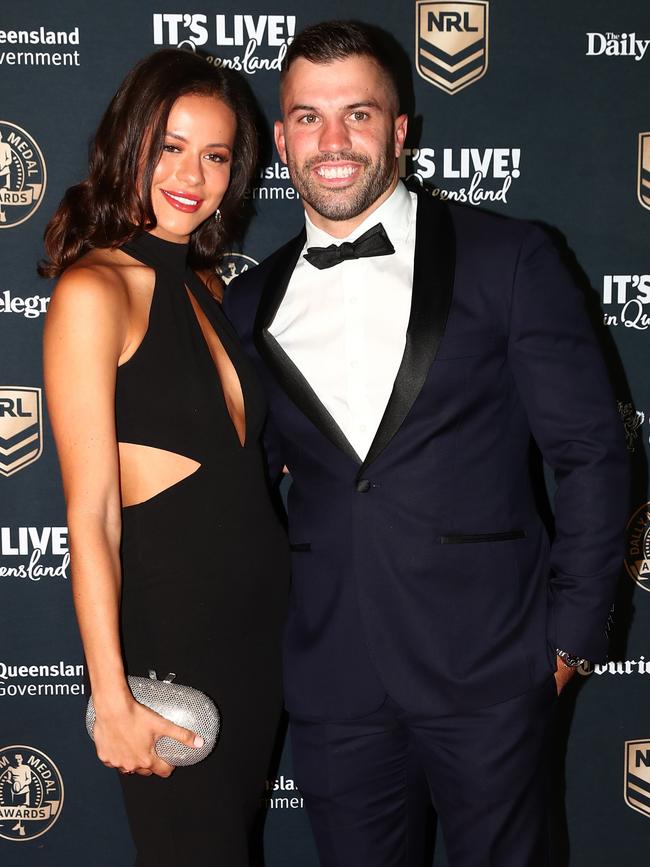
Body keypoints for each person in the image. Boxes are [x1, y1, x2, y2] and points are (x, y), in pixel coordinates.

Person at [223, 20, 630, 867]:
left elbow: (592, 452)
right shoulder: (250, 301)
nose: (331, 142)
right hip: (333, 678)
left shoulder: (509, 257)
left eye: (358, 114)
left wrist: (568, 640)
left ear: (400, 129)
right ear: (279, 136)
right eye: (307, 117)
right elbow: (244, 495)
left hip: (493, 666)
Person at [42, 49, 289, 867]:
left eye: (215, 155)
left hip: (256, 638)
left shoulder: (207, 289)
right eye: (169, 147)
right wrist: (110, 696)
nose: (193, 174)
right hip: (174, 638)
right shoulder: (93, 290)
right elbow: (93, 514)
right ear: (130, 145)